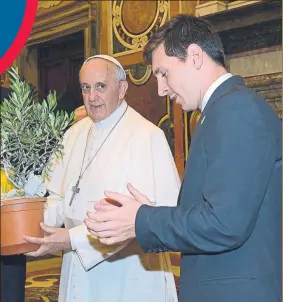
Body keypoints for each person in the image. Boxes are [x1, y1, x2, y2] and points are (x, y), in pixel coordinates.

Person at [85, 14, 282, 302]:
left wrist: (143, 220)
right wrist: (149, 214)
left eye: (164, 73)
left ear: (195, 57)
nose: (161, 89)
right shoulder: (219, 111)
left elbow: (225, 223)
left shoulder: (236, 109)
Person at [24, 55, 180, 302]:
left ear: (122, 89)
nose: (92, 96)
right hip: (75, 263)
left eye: (100, 86)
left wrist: (70, 239)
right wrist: (34, 226)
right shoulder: (73, 134)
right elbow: (57, 195)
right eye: (85, 88)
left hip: (127, 273)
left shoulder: (148, 137)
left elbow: (143, 221)